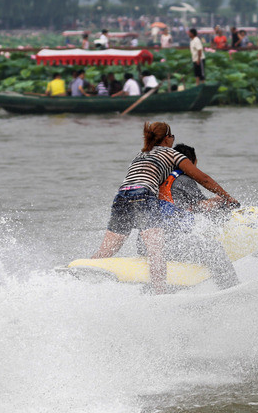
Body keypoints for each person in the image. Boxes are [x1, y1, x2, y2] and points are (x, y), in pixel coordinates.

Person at [93, 122, 238, 294]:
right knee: (160, 250)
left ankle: (85, 274)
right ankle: (162, 294)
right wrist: (227, 198)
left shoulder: (141, 154)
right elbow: (204, 179)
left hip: (122, 196)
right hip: (143, 196)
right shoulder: (172, 154)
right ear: (167, 138)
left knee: (107, 250)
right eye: (172, 136)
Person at [154, 143, 240, 290]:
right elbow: (203, 206)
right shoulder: (184, 179)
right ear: (190, 163)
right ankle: (232, 289)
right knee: (214, 248)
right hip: (168, 244)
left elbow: (188, 207)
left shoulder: (159, 179)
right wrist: (223, 201)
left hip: (147, 244)